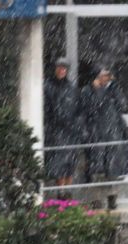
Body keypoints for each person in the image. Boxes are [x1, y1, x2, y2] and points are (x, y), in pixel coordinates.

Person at [81, 65, 128, 181]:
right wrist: (98, 90)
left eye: (108, 76)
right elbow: (91, 108)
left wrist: (113, 86)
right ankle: (97, 184)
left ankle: (112, 187)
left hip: (112, 131)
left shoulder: (112, 89)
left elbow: (123, 104)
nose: (106, 78)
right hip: (96, 132)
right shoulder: (88, 90)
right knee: (97, 162)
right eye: (103, 76)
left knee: (113, 161)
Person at [43, 57, 81, 187]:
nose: (61, 70)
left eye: (64, 68)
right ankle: (61, 192)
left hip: (70, 131)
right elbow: (47, 108)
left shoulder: (72, 88)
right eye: (59, 67)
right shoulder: (48, 86)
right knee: (58, 163)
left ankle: (68, 194)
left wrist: (76, 125)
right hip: (55, 130)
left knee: (70, 163)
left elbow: (78, 108)